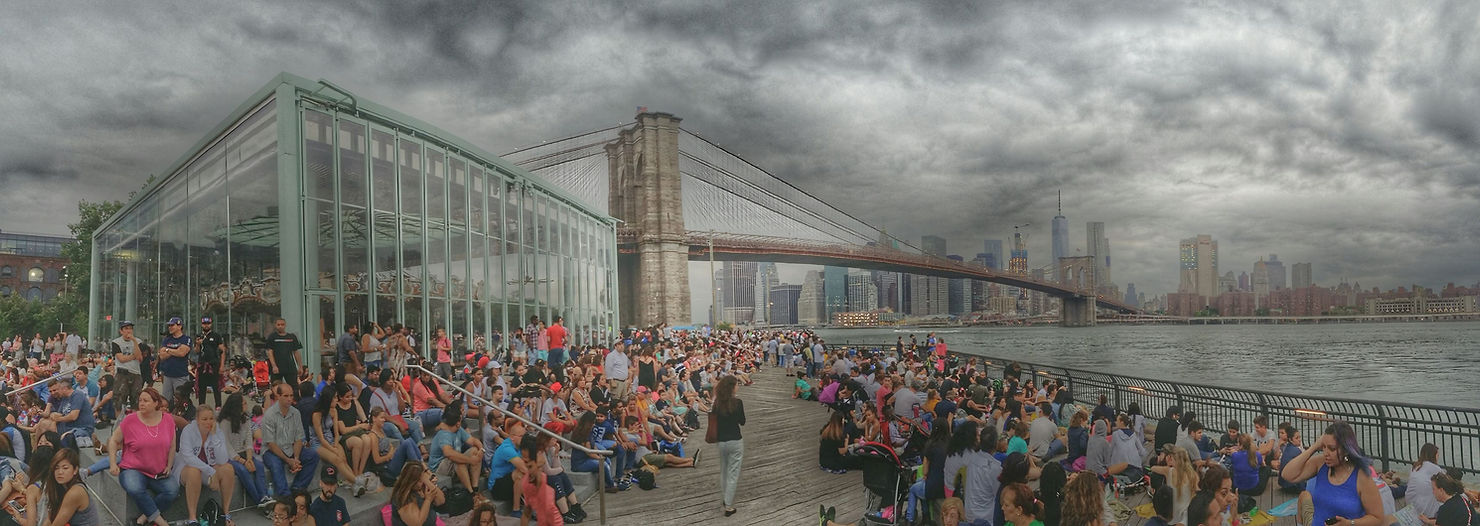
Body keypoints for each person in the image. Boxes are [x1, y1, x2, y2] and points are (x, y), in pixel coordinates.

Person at [1280, 422, 1385, 526]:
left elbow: (1378, 518)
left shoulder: (1361, 476)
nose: (1326, 453)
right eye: (1324, 447)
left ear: (1346, 449)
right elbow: (1287, 475)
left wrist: (1350, 523)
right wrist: (1315, 447)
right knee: (1304, 498)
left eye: (1332, 449)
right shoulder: (1321, 464)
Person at [107, 387, 177, 526]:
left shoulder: (168, 419)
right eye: (140, 401)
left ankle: (142, 518)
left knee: (172, 491)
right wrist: (113, 463)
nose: (142, 404)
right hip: (133, 468)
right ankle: (161, 522)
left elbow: (172, 445)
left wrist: (169, 465)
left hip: (158, 471)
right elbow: (113, 440)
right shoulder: (130, 420)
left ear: (156, 403)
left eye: (146, 401)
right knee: (135, 488)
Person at [178, 405, 238, 523]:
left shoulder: (217, 431)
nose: (208, 422)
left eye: (211, 419)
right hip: (187, 470)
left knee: (228, 469)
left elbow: (222, 459)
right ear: (197, 419)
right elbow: (188, 458)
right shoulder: (188, 430)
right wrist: (211, 472)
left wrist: (214, 436)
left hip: (208, 471)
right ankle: (192, 518)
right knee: (194, 471)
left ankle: (225, 513)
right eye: (204, 419)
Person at [263, 383, 321, 496]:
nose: (289, 399)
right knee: (276, 465)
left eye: (291, 395)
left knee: (313, 456)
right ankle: (285, 496)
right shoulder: (269, 415)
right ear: (278, 396)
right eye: (286, 396)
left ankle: (298, 488)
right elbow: (271, 443)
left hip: (290, 447)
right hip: (272, 451)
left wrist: (296, 458)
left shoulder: (296, 413)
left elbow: (299, 438)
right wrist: (288, 460)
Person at [221, 392, 273, 509]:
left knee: (258, 466)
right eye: (244, 403)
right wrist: (244, 462)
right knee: (243, 470)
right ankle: (259, 501)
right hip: (230, 457)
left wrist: (249, 459)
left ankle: (264, 495)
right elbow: (228, 448)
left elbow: (249, 441)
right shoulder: (225, 423)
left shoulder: (246, 420)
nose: (246, 405)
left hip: (245, 453)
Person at [429, 402, 482, 492]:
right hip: (439, 467)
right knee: (457, 459)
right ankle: (471, 493)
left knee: (474, 450)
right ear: (457, 423)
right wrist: (470, 461)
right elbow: (449, 453)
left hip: (452, 465)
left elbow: (473, 441)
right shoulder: (444, 434)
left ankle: (475, 488)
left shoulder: (458, 429)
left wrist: (481, 449)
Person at [713, 375, 746, 516]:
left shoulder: (717, 403)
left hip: (721, 441)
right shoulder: (737, 402)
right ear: (732, 387)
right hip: (735, 440)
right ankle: (728, 505)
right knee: (733, 473)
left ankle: (725, 498)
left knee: (724, 471)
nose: (738, 386)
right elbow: (742, 421)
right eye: (737, 384)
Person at [41, 448, 99, 526]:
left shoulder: (76, 492)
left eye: (65, 468)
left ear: (75, 470)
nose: (60, 472)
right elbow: (49, 519)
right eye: (56, 468)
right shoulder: (59, 487)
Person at [1150, 446, 1200, 526]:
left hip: (1171, 514)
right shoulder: (1193, 475)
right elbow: (1198, 495)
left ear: (1172, 459)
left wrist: (1162, 462)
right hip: (1185, 516)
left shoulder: (1168, 471)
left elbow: (1152, 468)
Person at [390, 461, 445, 526]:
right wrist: (428, 500)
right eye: (419, 481)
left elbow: (441, 501)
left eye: (422, 479)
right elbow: (417, 523)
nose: (421, 483)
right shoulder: (402, 496)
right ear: (411, 481)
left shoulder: (423, 486)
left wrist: (427, 481)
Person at [109, 320, 144, 417]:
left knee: (136, 399)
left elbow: (140, 358)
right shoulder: (116, 342)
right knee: (119, 400)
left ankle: (135, 423)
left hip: (135, 373)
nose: (128, 331)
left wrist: (134, 341)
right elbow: (121, 359)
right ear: (121, 331)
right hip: (122, 373)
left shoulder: (138, 341)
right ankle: (119, 424)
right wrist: (134, 356)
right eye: (126, 329)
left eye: (130, 328)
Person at [158, 317, 193, 402]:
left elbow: (182, 353)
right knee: (166, 400)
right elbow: (161, 355)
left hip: (180, 375)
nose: (170, 327)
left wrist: (167, 350)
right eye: (169, 326)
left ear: (179, 326)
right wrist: (176, 350)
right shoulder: (167, 339)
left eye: (172, 325)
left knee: (181, 399)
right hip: (167, 375)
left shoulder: (186, 339)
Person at [196, 316, 228, 408]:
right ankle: (201, 407)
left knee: (216, 387)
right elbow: (197, 351)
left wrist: (222, 366)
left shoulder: (216, 336)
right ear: (201, 324)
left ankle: (218, 406)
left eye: (208, 323)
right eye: (204, 324)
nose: (206, 325)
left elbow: (222, 351)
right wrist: (198, 344)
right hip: (202, 365)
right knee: (202, 388)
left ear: (211, 324)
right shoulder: (199, 336)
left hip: (214, 365)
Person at [1407, 444, 1444, 519]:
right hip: (1425, 510)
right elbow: (1448, 483)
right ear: (1433, 456)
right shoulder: (1435, 469)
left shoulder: (1415, 466)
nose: (1438, 457)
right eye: (1437, 455)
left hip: (1410, 505)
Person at [266, 319, 304, 385]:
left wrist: (300, 366)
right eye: (278, 325)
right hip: (277, 368)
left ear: (285, 325)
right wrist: (274, 366)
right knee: (276, 387)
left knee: (294, 386)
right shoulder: (272, 337)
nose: (280, 326)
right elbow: (270, 352)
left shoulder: (292, 337)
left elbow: (296, 352)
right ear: (275, 325)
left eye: (282, 324)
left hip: (290, 367)